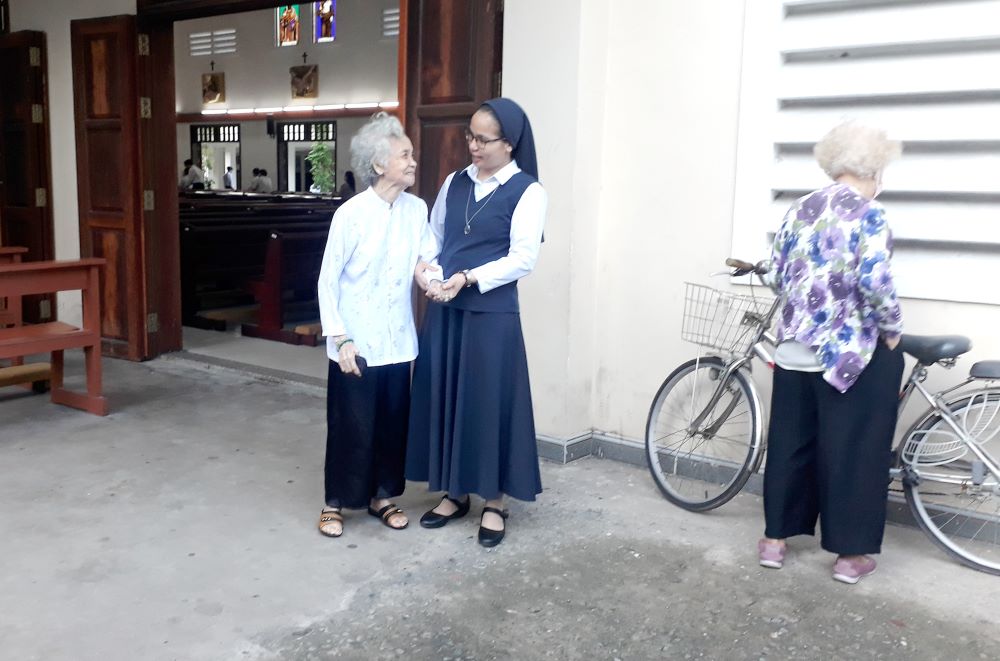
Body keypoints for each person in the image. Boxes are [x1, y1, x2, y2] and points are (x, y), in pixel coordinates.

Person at [758, 120, 904, 584]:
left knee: (790, 444)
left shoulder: (799, 209)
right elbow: (875, 281)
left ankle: (774, 543)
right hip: (848, 356)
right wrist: (893, 328)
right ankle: (849, 557)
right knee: (853, 451)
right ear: (875, 171)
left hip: (796, 348)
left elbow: (778, 276)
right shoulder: (868, 214)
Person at [406, 98, 547, 548]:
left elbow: (523, 258)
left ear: (509, 144)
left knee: (487, 404)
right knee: (448, 398)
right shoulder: (454, 181)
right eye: (470, 136)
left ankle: (494, 502)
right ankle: (454, 492)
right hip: (446, 309)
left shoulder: (528, 191)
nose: (473, 145)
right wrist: (426, 270)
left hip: (491, 315)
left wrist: (468, 278)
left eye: (483, 139)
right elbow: (435, 233)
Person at [316, 112, 437, 538]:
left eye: (412, 154)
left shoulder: (416, 209)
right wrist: (340, 336)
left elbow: (425, 259)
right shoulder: (351, 214)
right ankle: (335, 502)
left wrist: (432, 279)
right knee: (351, 423)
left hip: (397, 339)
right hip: (355, 340)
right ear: (379, 164)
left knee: (390, 421)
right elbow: (328, 279)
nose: (412, 162)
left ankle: (382, 496)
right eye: (405, 155)